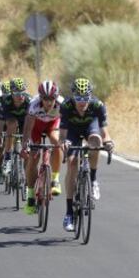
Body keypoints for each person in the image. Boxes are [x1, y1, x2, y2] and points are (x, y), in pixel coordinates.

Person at [59, 78, 114, 232]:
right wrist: (64, 143)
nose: (82, 102)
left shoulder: (98, 106)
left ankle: (93, 179)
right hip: (73, 131)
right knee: (72, 162)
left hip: (91, 127)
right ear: (73, 96)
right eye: (78, 98)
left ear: (90, 96)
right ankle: (69, 213)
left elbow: (105, 133)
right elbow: (62, 135)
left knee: (96, 142)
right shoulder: (66, 106)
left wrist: (108, 142)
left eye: (85, 98)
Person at [21, 81, 63, 215]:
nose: (49, 102)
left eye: (51, 98)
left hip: (52, 126)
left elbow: (66, 125)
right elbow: (27, 127)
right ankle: (31, 195)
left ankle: (55, 179)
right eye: (45, 99)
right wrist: (25, 145)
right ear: (40, 97)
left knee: (57, 142)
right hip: (36, 128)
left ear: (56, 97)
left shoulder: (62, 104)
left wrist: (65, 143)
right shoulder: (34, 104)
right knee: (33, 157)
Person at [0, 77, 31, 176]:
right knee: (12, 124)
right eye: (17, 94)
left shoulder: (29, 101)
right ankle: (7, 158)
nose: (20, 96)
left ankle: (27, 176)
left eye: (22, 93)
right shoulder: (6, 102)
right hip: (11, 119)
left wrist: (28, 141)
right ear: (11, 93)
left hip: (25, 121)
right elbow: (1, 123)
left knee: (29, 152)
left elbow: (33, 123)